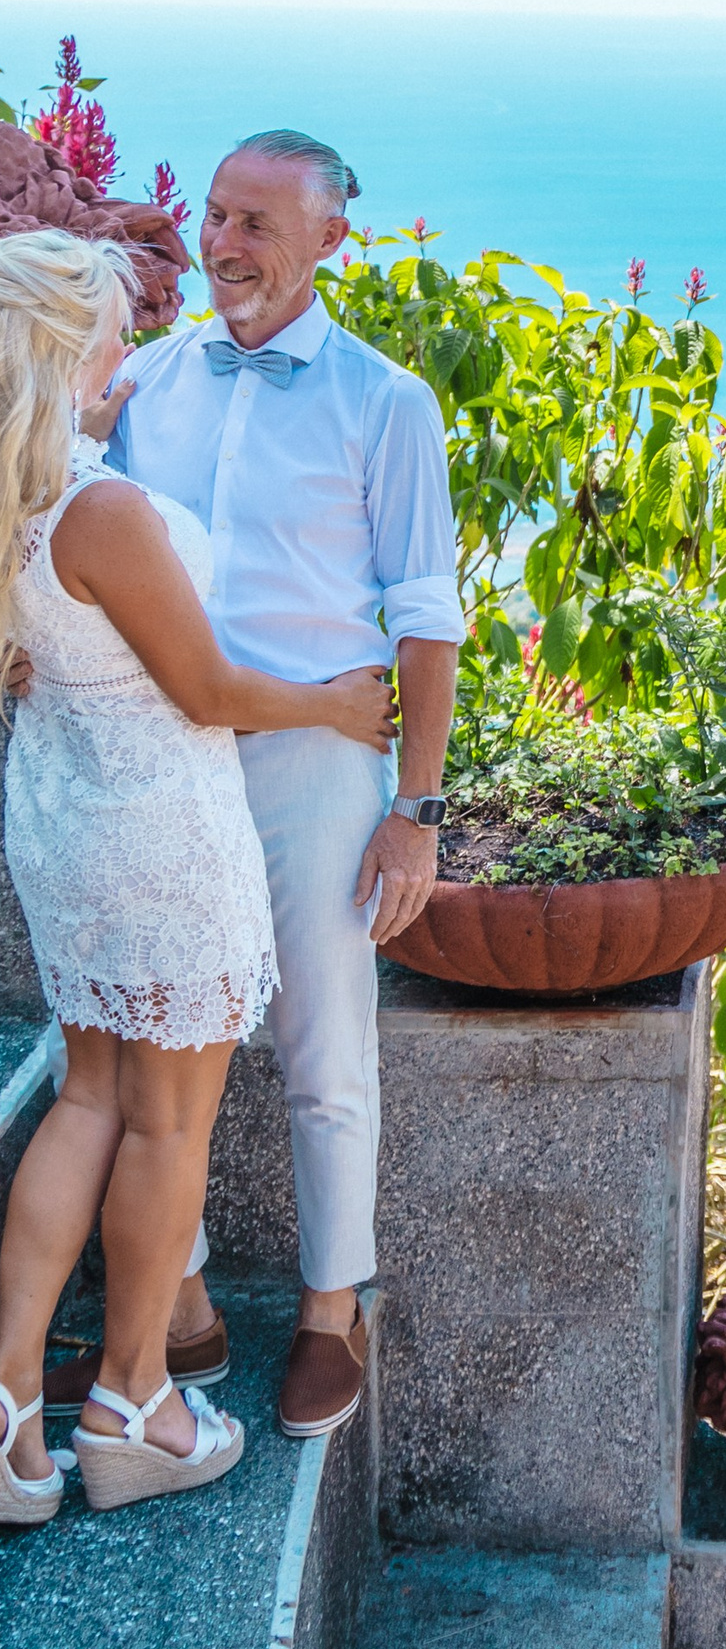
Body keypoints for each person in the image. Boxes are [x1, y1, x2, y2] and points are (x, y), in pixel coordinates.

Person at [41, 131, 464, 1440]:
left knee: (323, 1047)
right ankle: (180, 1308)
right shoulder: (148, 385)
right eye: (217, 218)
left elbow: (427, 616)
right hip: (170, 766)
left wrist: (416, 810)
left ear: (331, 241)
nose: (225, 246)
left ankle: (333, 1314)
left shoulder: (386, 403)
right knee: (143, 1041)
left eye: (257, 226)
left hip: (321, 764)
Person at [0, 231, 398, 1520]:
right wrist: (340, 709)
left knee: (90, 1100)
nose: (130, 348)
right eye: (110, 331)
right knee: (170, 1120)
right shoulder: (101, 511)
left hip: (67, 817)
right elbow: (208, 689)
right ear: (66, 352)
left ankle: (11, 1416)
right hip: (162, 833)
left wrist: (89, 422)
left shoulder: (23, 494)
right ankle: (134, 1408)